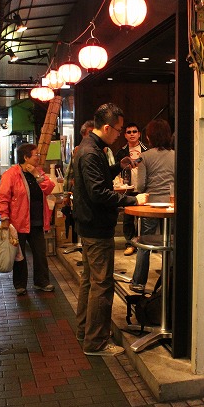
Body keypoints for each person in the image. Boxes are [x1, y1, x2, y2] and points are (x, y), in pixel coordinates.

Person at [73, 103, 148, 356]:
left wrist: (119, 166)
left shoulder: (89, 148)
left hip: (89, 225)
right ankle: (96, 343)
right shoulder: (91, 152)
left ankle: (84, 331)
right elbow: (98, 193)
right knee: (101, 285)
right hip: (96, 226)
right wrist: (132, 200)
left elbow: (99, 179)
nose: (120, 134)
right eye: (117, 130)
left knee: (89, 282)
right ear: (106, 127)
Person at [0, 143, 56, 296]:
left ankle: (41, 282)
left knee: (40, 254)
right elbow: (3, 197)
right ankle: (20, 284)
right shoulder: (11, 174)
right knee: (19, 256)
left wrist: (36, 174)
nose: (39, 158)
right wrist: (4, 217)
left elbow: (49, 188)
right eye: (36, 155)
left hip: (37, 221)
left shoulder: (38, 171)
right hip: (18, 222)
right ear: (26, 157)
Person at [130, 119, 175, 293]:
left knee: (144, 243)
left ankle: (138, 282)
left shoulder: (145, 157)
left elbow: (140, 186)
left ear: (149, 137)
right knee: (170, 244)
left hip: (151, 206)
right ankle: (168, 282)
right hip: (171, 206)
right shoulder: (175, 155)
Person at [115, 122, 148, 256]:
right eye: (129, 132)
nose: (132, 134)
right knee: (128, 218)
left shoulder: (146, 150)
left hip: (143, 187)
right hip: (128, 188)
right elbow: (117, 170)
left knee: (143, 218)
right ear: (125, 135)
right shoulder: (121, 152)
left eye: (134, 131)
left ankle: (142, 244)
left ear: (139, 134)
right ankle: (129, 243)